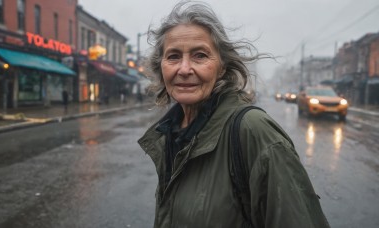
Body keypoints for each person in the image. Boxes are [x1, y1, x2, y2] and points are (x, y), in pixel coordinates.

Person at [138, 1, 331, 227]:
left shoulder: (254, 131)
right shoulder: (170, 132)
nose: (184, 69)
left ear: (222, 66)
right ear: (161, 65)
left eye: (199, 55)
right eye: (173, 56)